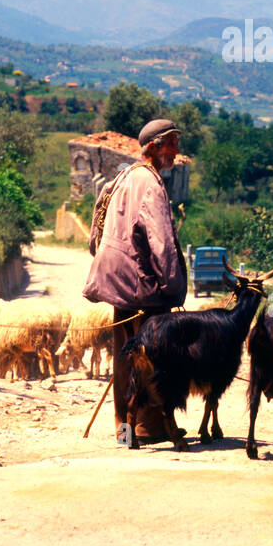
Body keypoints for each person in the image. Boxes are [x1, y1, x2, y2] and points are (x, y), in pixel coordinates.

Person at [83, 118, 188, 443]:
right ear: (154, 147)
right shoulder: (151, 184)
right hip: (143, 290)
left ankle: (124, 431)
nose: (176, 151)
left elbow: (95, 231)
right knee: (150, 361)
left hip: (119, 286)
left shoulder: (124, 176)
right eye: (171, 143)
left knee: (125, 361)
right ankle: (147, 429)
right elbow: (162, 242)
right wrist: (174, 288)